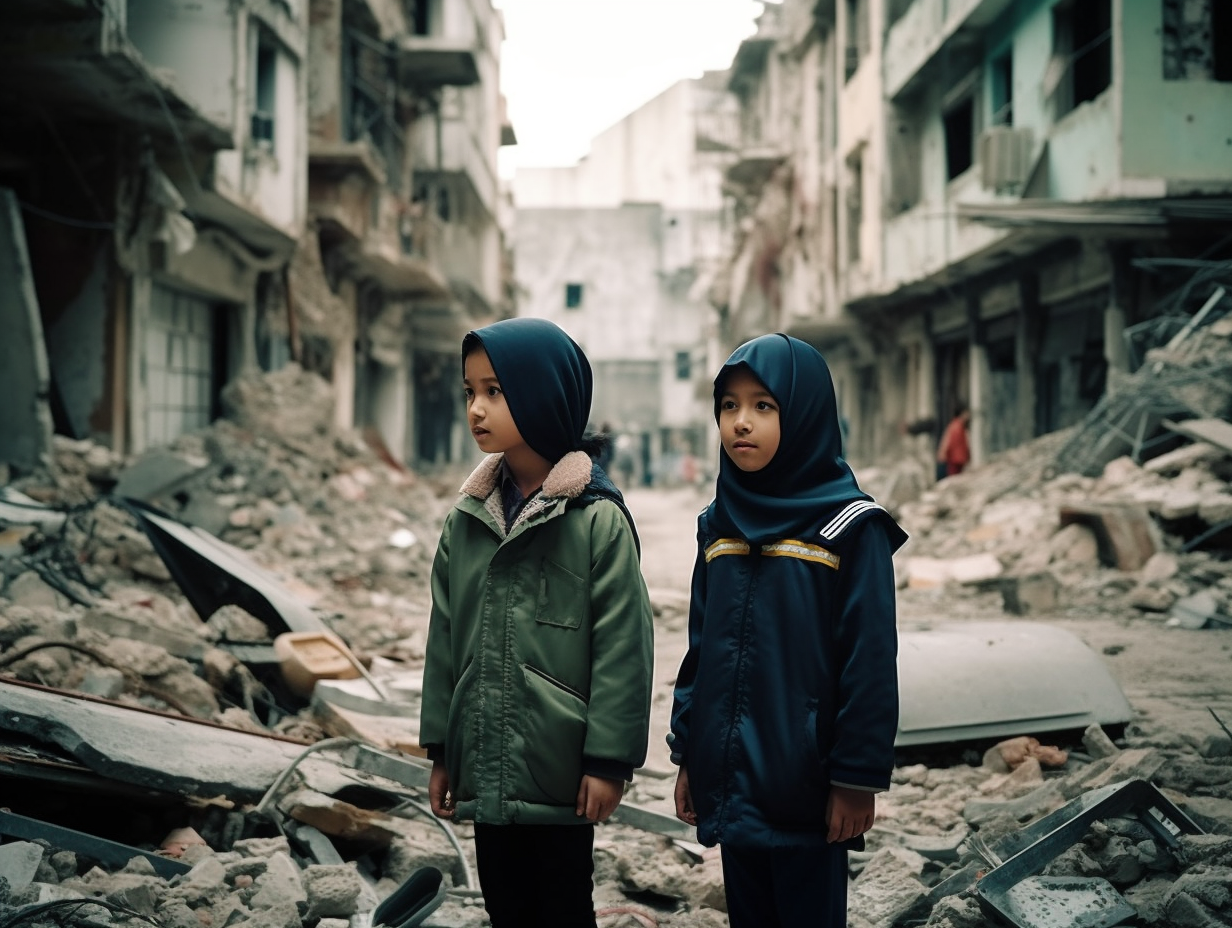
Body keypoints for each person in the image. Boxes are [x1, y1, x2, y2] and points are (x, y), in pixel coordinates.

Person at [420, 317, 655, 928]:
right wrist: (443, 750)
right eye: (470, 391)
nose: (477, 408)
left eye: (495, 391)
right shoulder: (466, 519)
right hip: (486, 767)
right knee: (506, 907)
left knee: (561, 908)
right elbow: (444, 641)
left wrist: (608, 762)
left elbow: (624, 650)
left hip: (561, 773)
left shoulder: (596, 519)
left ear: (545, 394)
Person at [668, 333, 906, 928]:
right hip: (730, 780)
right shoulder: (718, 523)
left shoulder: (850, 527)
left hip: (807, 788)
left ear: (803, 414)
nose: (741, 423)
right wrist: (689, 752)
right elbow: (702, 649)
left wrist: (856, 777)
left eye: (763, 406)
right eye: (729, 406)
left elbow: (869, 661)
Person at [937, 404, 971, 478]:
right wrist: (943, 455)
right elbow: (948, 442)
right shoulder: (956, 426)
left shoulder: (960, 426)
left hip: (958, 459)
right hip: (955, 460)